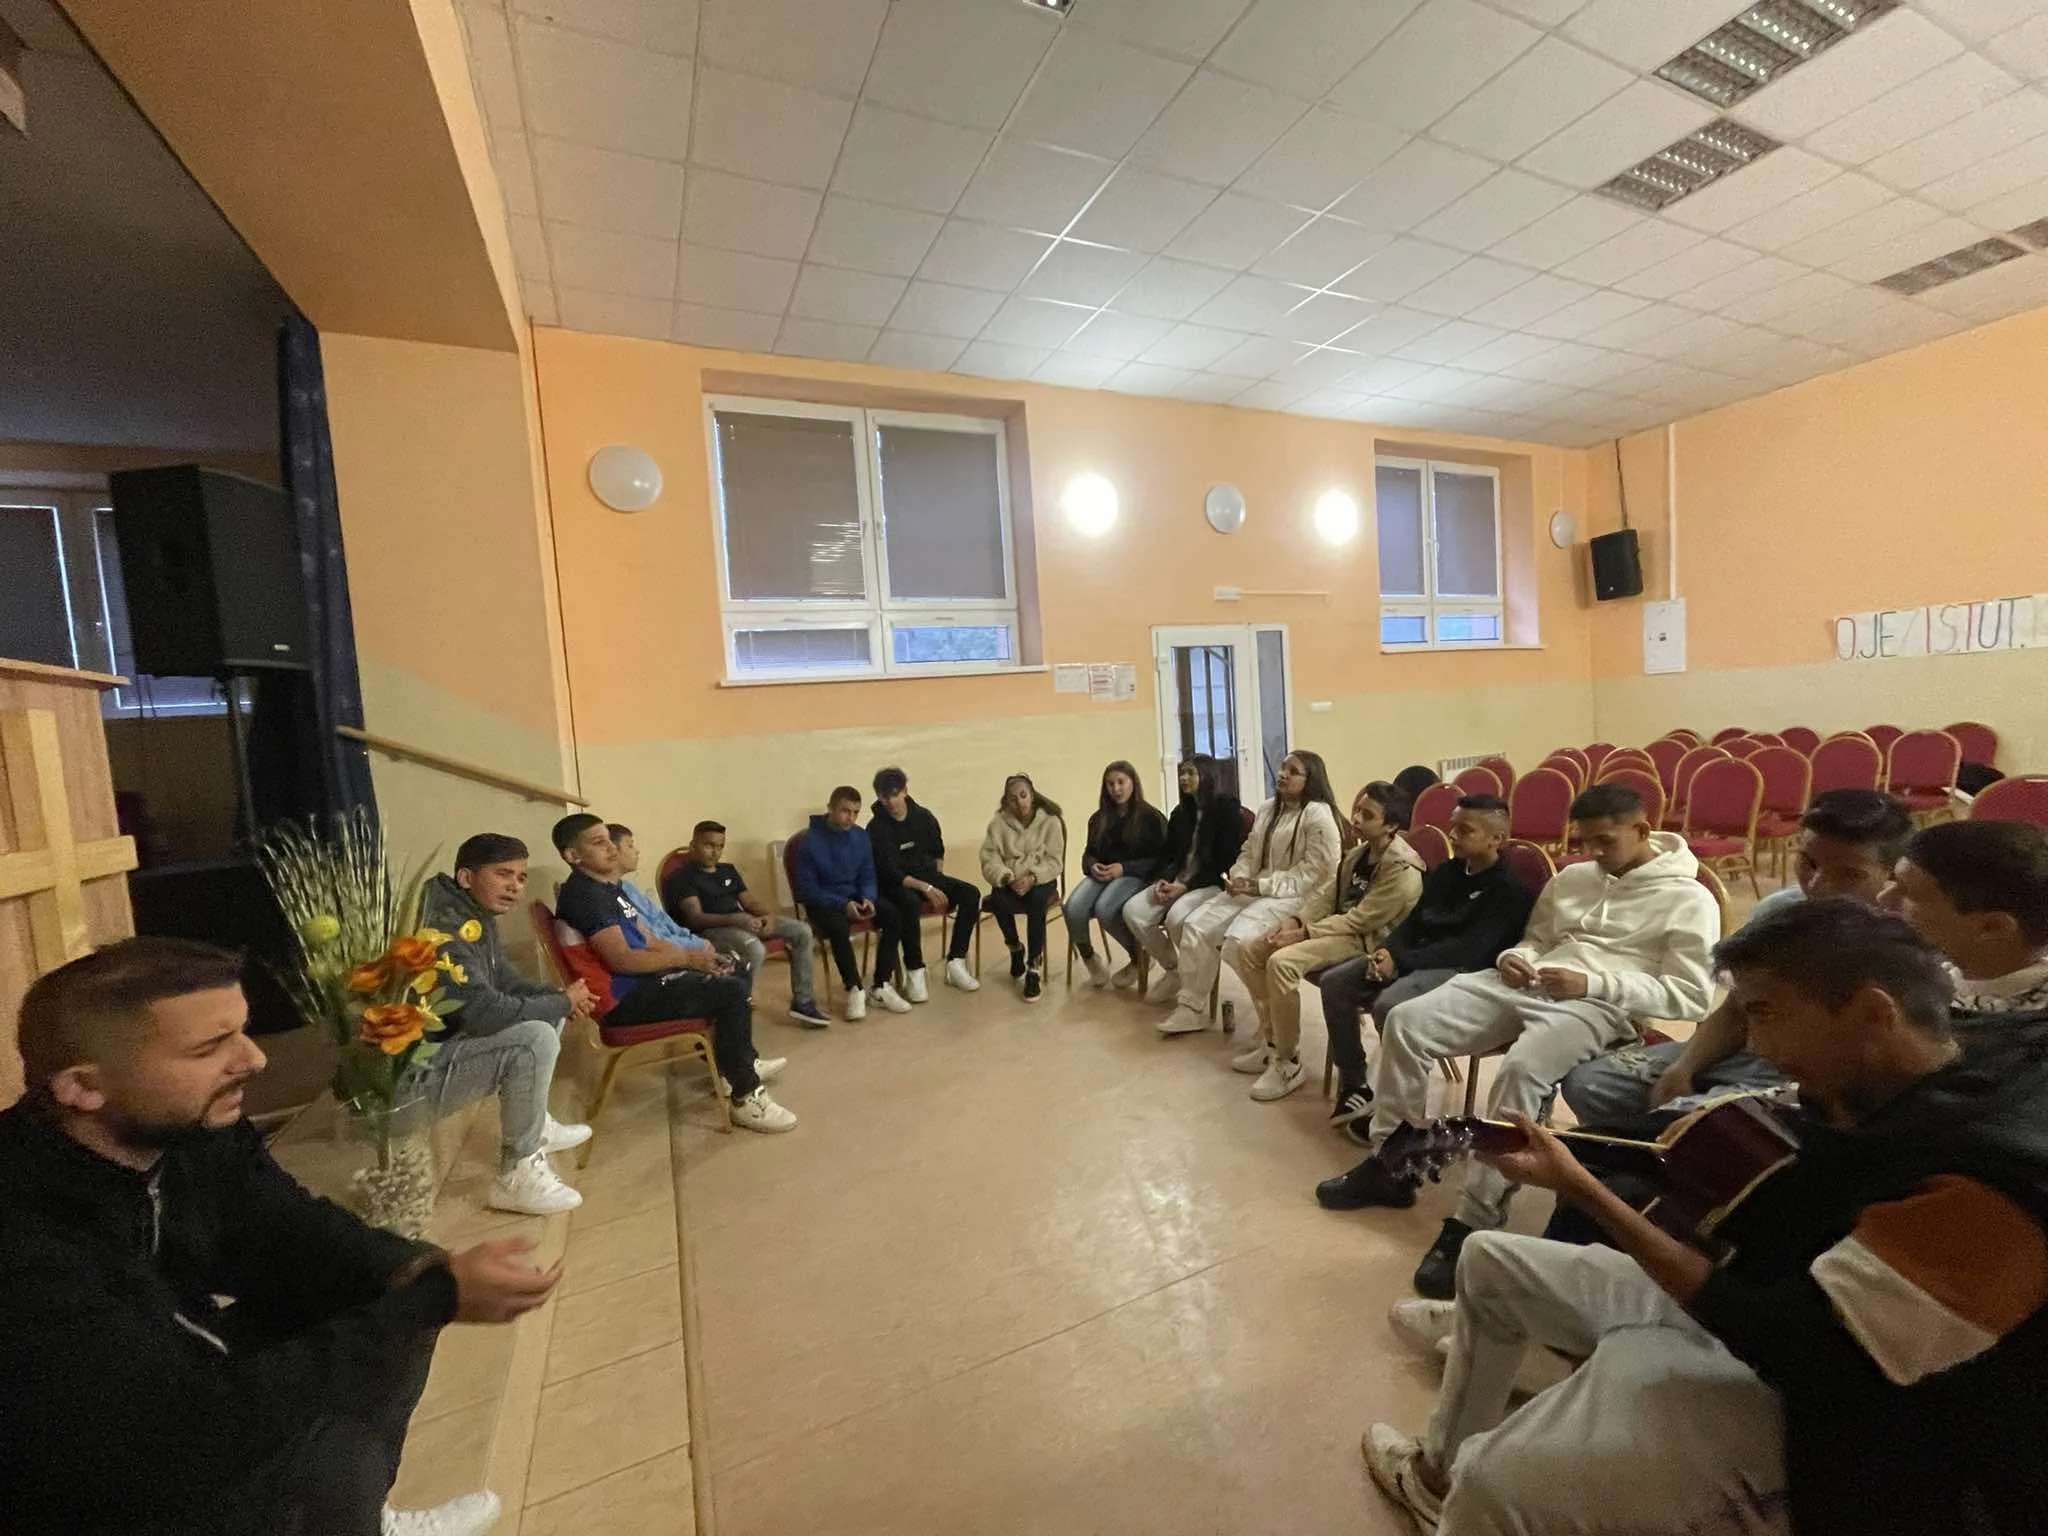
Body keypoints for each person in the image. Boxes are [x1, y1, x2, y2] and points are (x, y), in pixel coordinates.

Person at [1364, 901, 2048, 1536]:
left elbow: (1793, 1347)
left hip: (1843, 1421)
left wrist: (1586, 1191)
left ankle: (1485, 1481)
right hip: (1783, 1300)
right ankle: (1434, 1475)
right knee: (1490, 1258)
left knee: (1499, 1481)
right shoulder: (1923, 1061)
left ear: (1873, 1013)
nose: (1752, 1043)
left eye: (1765, 1014)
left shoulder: (1983, 1189)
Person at [0, 937, 556, 1536]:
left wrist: (424, 1268)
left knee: (389, 1288)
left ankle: (356, 1518)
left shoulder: (194, 1133)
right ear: (83, 1087)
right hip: (94, 1478)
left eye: (242, 1031)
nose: (255, 1060)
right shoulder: (23, 1234)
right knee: (328, 1444)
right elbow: (183, 1432)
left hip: (173, 1390)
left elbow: (285, 1225)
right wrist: (435, 1299)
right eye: (211, 1047)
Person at [1316, 782, 1718, 1299]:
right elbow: (1539, 938)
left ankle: (1473, 1219)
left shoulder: (1688, 899)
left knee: (1522, 1071)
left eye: (1605, 842)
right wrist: (1517, 954)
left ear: (1642, 830)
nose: (1593, 854)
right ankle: (1393, 1164)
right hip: (1526, 981)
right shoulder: (1574, 878)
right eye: (1585, 842)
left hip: (1596, 1005)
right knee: (1408, 1022)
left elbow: (1688, 995)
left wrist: (1594, 983)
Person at [1560, 788, 1912, 1126]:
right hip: (1749, 1055)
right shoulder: (1780, 911)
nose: (1818, 884)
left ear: (1891, 873)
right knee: (1591, 1083)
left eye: (1849, 874)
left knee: (1698, 1121)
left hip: (1819, 1075)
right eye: (1808, 863)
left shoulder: (1902, 937)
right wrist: (1683, 1068)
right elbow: (1737, 1007)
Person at [551, 815, 796, 1133]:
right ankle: (746, 1097)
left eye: (611, 840)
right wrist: (685, 958)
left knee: (731, 968)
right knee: (731, 992)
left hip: (643, 980)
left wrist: (692, 958)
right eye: (598, 843)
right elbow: (623, 960)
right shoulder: (586, 896)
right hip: (623, 1000)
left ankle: (735, 1065)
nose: (611, 848)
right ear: (573, 856)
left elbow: (649, 939)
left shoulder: (610, 889)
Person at [1320, 795, 1532, 1136]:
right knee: (1336, 982)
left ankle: (1403, 1119)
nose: (1453, 835)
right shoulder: (1448, 871)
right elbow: (1414, 921)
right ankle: (1356, 1086)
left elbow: (1468, 951)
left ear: (1497, 839)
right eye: (1453, 826)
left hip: (1458, 971)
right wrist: (1388, 951)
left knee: (1391, 1005)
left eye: (1465, 830)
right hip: (1415, 958)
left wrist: (1400, 962)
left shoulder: (1509, 891)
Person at [416, 833, 594, 1217]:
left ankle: (536, 1123)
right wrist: (562, 1002)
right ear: (466, 878)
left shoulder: (471, 913)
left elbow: (507, 981)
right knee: (534, 1036)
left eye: (521, 877)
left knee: (543, 1010)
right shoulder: (442, 929)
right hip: (416, 1072)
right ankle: (517, 1174)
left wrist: (558, 999)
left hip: (453, 1040)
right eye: (503, 874)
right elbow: (483, 1011)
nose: (515, 886)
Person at [1230, 781, 1424, 1103]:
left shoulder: (1403, 870)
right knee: (1251, 949)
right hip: (1337, 930)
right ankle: (1273, 1042)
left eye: (1367, 814)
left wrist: (1304, 934)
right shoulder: (1360, 852)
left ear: (1391, 825)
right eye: (1357, 809)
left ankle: (1288, 1063)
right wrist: (1296, 920)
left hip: (1367, 943)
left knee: (1281, 962)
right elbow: (1327, 895)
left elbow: (1360, 921)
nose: (1356, 818)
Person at [1158, 749, 1342, 1037]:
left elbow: (1315, 876)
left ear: (1311, 780)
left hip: (1295, 898)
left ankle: (1271, 1025)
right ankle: (1192, 1008)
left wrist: (1261, 886)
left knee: (1237, 943)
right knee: (1195, 926)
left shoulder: (1318, 815)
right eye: (1282, 768)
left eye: (1293, 771)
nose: (1283, 774)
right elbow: (1249, 849)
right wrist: (1239, 875)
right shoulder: (1269, 808)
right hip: (1258, 888)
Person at [662, 819, 828, 1028]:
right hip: (710, 930)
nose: (715, 852)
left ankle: (802, 1002)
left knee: (802, 930)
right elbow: (696, 918)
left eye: (720, 846)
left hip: (742, 922)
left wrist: (767, 915)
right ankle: (738, 1004)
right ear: (693, 845)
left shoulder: (727, 870)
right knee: (754, 947)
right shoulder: (682, 877)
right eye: (708, 845)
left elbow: (749, 902)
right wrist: (735, 919)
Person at [1883, 817, 2048, 1018]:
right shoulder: (1907, 969)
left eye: (1909, 893)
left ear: (1992, 927)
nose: (1883, 899)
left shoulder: (2027, 1037)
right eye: (1893, 882)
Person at [1123, 755, 1248, 1007]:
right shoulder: (1181, 813)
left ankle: (1196, 985)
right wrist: (1161, 880)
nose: (1183, 778)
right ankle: (1175, 970)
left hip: (1210, 884)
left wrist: (1185, 887)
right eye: (1182, 773)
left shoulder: (1228, 812)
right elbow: (1168, 855)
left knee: (1176, 918)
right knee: (1133, 910)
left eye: (1190, 773)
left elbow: (1225, 863)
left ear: (1208, 775)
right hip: (1178, 881)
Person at [868, 767, 983, 1001]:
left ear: (905, 792)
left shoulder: (924, 817)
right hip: (896, 885)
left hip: (927, 878)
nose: (890, 801)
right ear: (878, 797)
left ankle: (956, 962)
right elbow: (890, 872)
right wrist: (925, 888)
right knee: (909, 904)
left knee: (971, 894)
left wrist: (936, 880)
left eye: (895, 794)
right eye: (884, 796)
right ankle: (915, 970)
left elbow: (937, 851)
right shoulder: (876, 828)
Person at [796, 786, 907, 1020]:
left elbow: (868, 873)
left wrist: (868, 897)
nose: (851, 818)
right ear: (830, 808)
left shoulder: (860, 836)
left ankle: (881, 985)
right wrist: (841, 904)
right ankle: (854, 988)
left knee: (893, 916)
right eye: (845, 811)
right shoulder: (809, 842)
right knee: (838, 927)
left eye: (856, 812)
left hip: (855, 896)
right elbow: (806, 889)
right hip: (823, 901)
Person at [1065, 759, 1169, 989]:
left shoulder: (1150, 817)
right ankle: (1090, 958)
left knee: (1105, 908)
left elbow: (1161, 860)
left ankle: (1138, 956)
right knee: (1072, 907)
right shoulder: (1098, 818)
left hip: (1136, 876)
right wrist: (1092, 865)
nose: (1116, 789)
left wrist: (1124, 868)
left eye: (1121, 782)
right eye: (1110, 784)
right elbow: (1088, 854)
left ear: (1133, 783)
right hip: (1102, 875)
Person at [980, 773, 1066, 1003]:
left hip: (1040, 879)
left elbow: (1055, 861)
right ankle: (1015, 948)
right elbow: (989, 860)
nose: (1020, 802)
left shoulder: (1051, 821)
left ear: (1032, 794)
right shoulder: (997, 824)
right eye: (1013, 798)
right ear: (1006, 801)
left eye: (1023, 795)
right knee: (996, 901)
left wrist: (1032, 878)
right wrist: (1006, 877)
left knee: (1036, 902)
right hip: (1010, 880)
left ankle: (1034, 967)